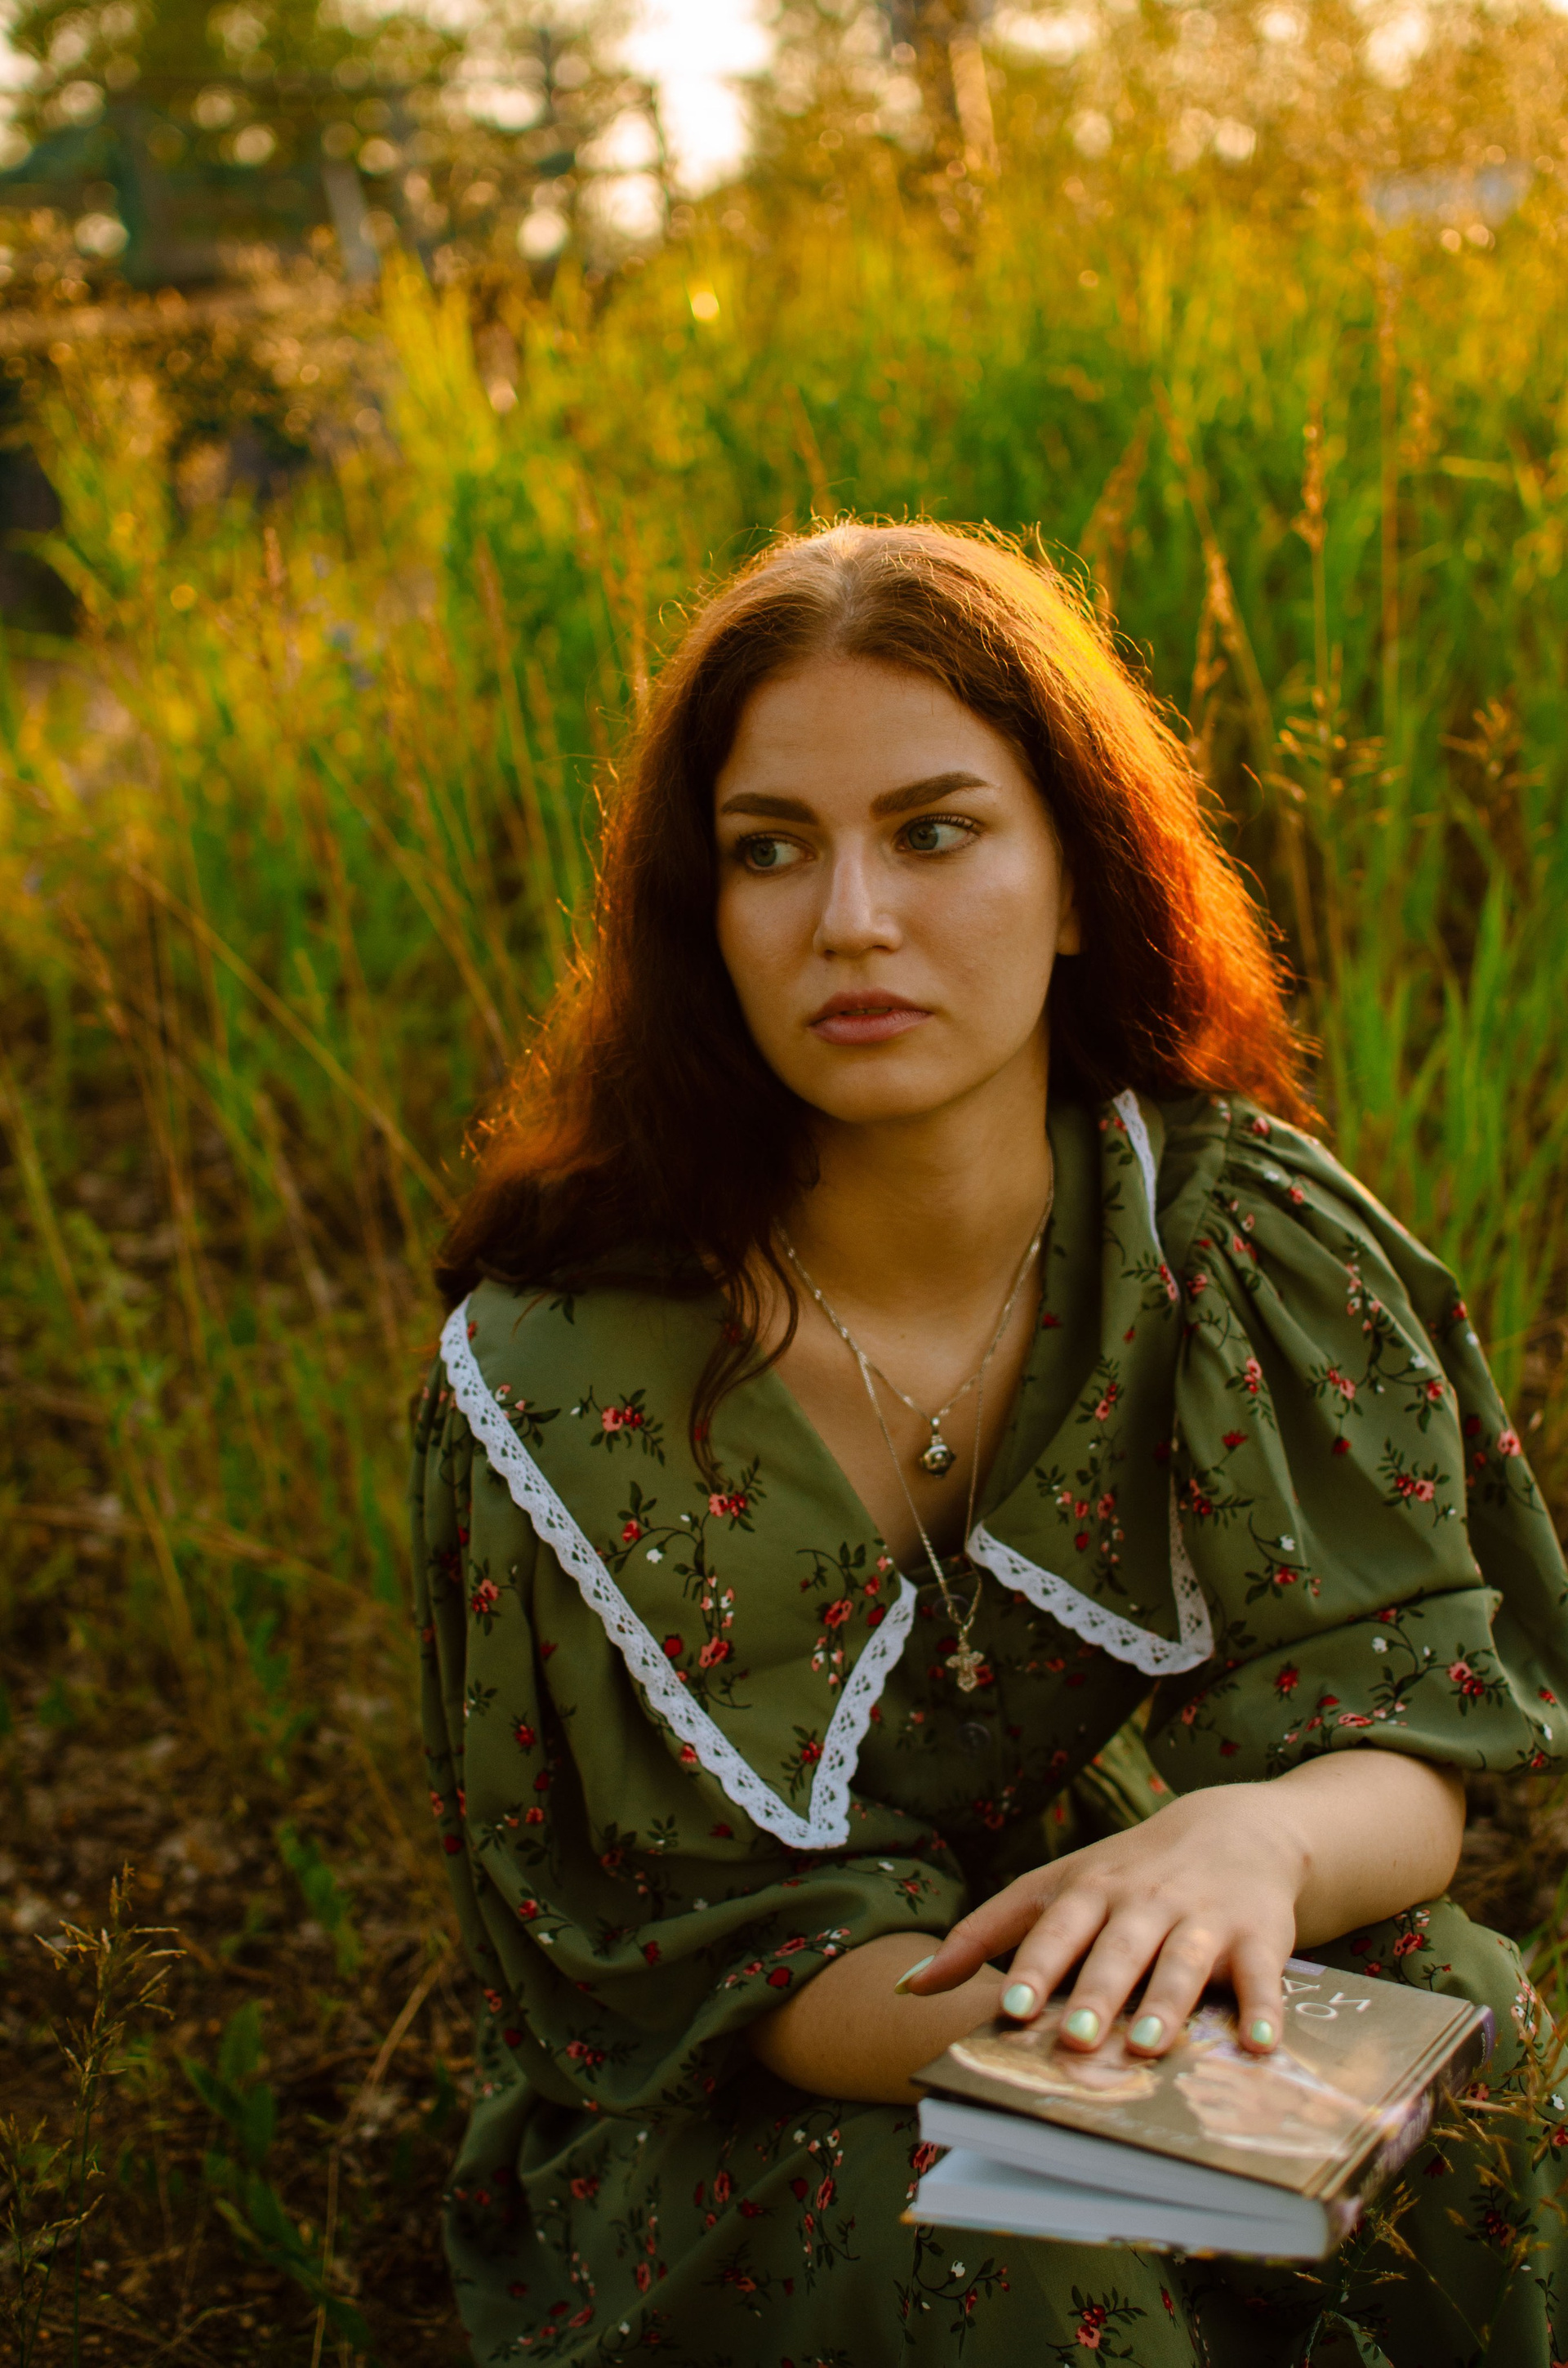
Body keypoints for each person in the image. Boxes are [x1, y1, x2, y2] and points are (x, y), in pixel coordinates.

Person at [412, 521, 1568, 2366]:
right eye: (770, 849)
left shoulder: (1231, 1238)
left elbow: (1406, 1732)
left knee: (1469, 2052)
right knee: (1007, 2254)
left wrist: (1250, 1844)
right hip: (780, 2093)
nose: (850, 920)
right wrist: (1114, 2059)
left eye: (934, 831)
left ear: (1082, 877)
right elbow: (709, 1962)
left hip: (1136, 1950)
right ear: (703, 916)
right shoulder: (564, 1381)